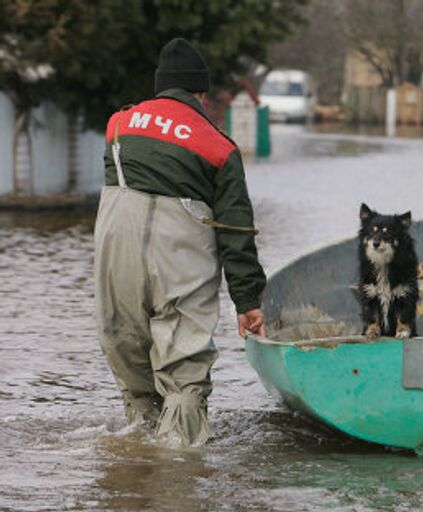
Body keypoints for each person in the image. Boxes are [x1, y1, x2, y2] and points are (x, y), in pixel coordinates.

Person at [94, 37, 267, 446]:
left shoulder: (118, 125)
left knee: (132, 367)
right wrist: (248, 302)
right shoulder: (219, 147)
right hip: (178, 260)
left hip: (115, 253)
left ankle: (135, 467)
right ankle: (180, 481)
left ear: (160, 86)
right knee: (184, 373)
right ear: (201, 93)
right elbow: (236, 232)